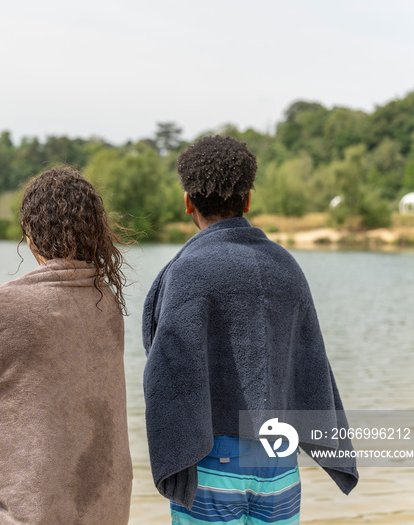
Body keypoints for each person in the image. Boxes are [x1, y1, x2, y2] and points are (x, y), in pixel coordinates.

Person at [142, 136, 358, 524]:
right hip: (280, 465)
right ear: (248, 200)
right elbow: (311, 362)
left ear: (188, 201)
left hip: (212, 462)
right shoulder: (286, 266)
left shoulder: (187, 271)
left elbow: (166, 374)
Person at [0, 168, 133, 524]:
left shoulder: (8, 303)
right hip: (104, 499)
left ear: (30, 236)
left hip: (36, 507)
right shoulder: (105, 300)